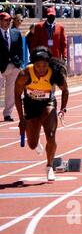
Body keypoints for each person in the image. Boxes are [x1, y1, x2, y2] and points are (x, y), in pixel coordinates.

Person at [15, 46, 69, 181]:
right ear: (33, 64)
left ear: (48, 64)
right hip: (30, 105)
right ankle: (35, 139)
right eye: (38, 66)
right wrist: (21, 119)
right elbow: (17, 95)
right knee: (32, 145)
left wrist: (62, 109)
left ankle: (49, 167)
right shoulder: (25, 74)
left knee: (51, 135)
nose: (41, 69)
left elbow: (65, 90)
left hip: (47, 103)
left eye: (44, 65)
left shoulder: (54, 72)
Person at [0, 12, 23, 122]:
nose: (8, 22)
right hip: (0, 66)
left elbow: (20, 50)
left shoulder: (16, 33)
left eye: (9, 20)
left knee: (11, 91)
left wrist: (20, 63)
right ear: (0, 21)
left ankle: (7, 114)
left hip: (13, 66)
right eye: (5, 20)